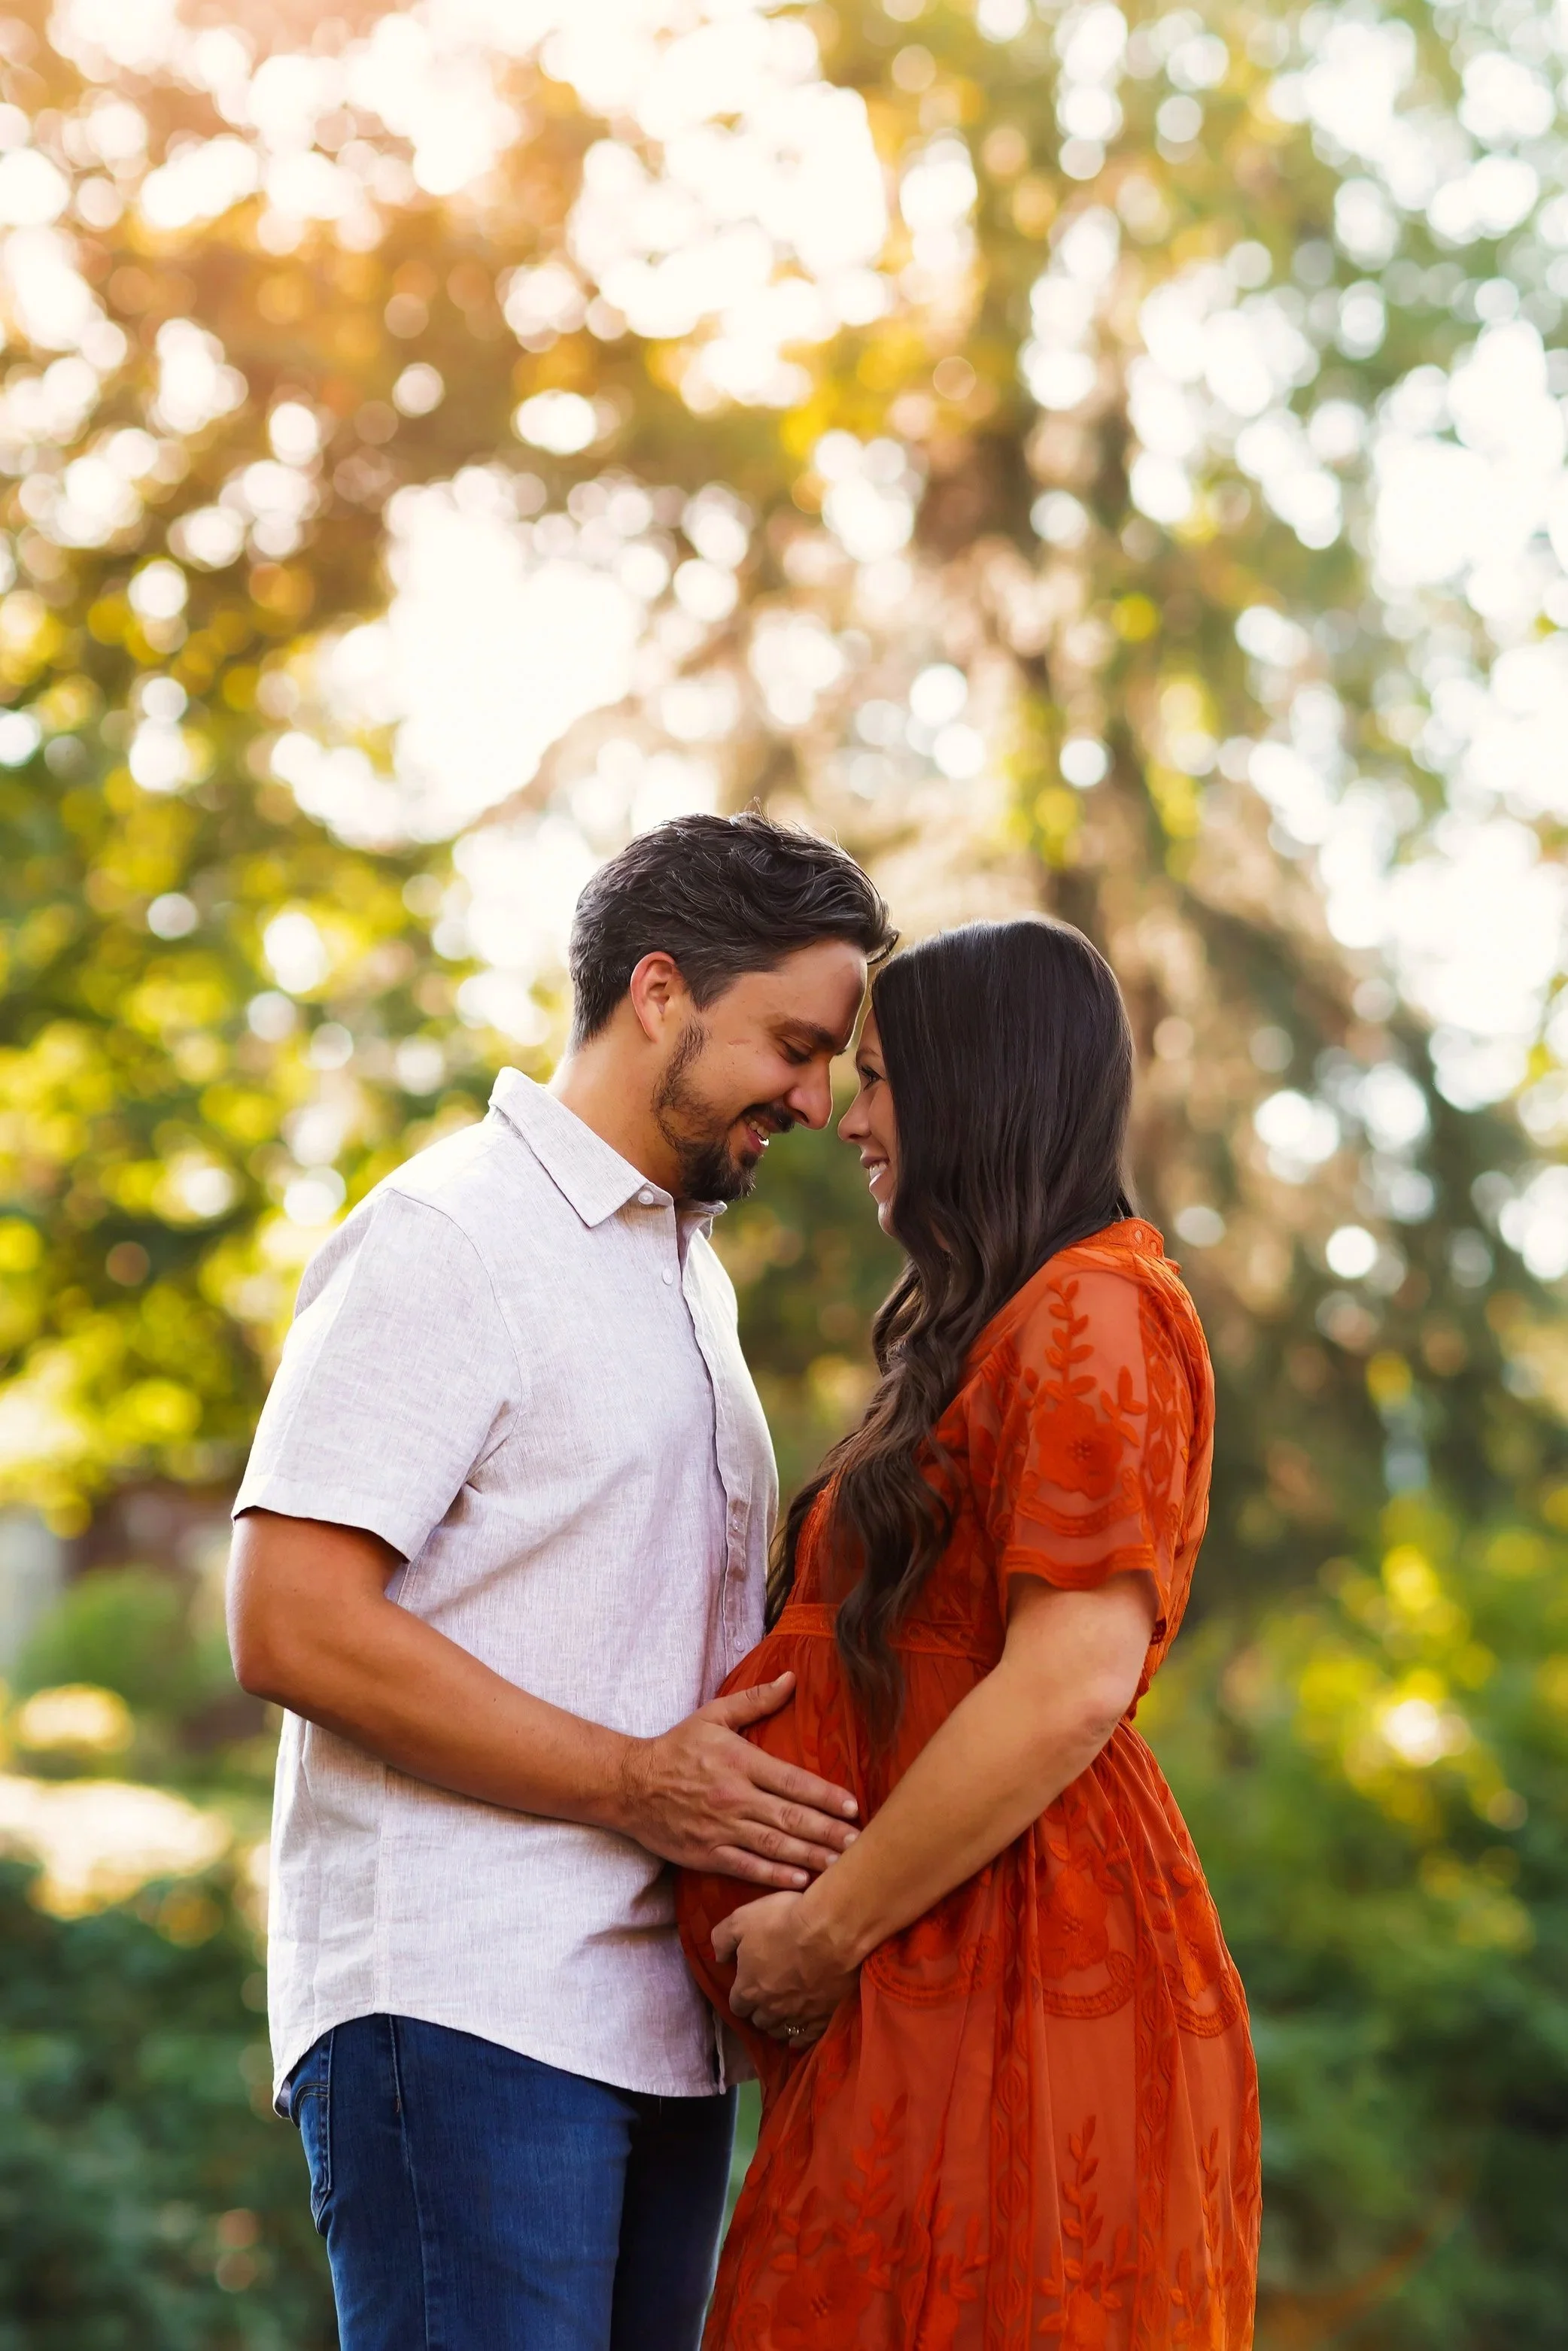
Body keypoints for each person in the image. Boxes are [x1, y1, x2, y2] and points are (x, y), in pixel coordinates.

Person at [225, 811, 897, 2351]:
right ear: (660, 990)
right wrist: (634, 1783)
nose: (812, 1095)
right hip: (465, 2003)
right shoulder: (449, 1234)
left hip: (659, 2022)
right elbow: (289, 1616)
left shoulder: (684, 1274)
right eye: (792, 1044)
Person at [677, 918, 1261, 2349]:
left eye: (880, 1079)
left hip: (1020, 1959)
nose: (850, 1118)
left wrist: (824, 1925)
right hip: (927, 1953)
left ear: (983, 1087)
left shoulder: (1097, 1312)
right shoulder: (1004, 1325)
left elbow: (1069, 1685)